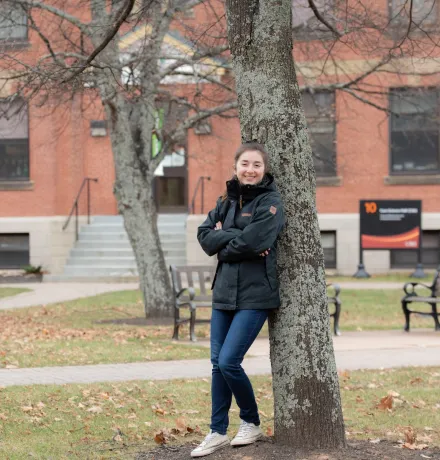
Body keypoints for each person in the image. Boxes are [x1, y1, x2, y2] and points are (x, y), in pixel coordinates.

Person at [191, 142, 285, 458]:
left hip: (256, 295)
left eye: (256, 164)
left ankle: (251, 422)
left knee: (229, 360)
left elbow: (257, 239)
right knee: (217, 365)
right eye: (245, 163)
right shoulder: (226, 201)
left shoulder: (271, 202)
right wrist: (235, 240)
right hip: (224, 293)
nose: (250, 169)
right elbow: (205, 237)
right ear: (236, 166)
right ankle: (217, 431)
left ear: (264, 169)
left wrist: (225, 241)